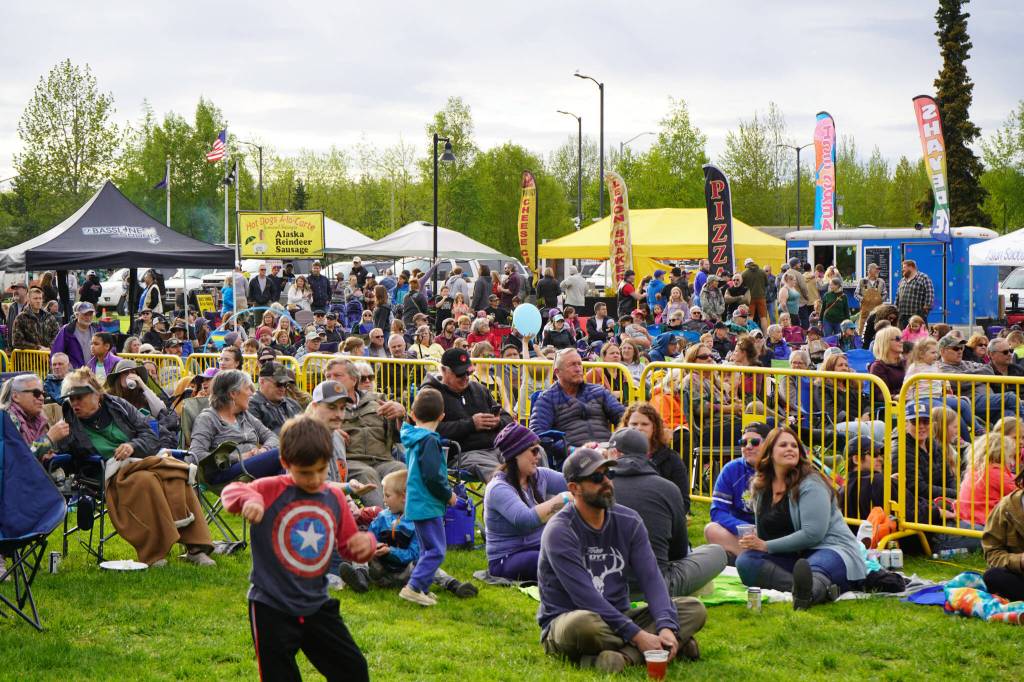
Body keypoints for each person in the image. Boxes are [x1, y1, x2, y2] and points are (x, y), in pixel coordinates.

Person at [222, 416, 374, 682]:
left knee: (354, 670)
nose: (315, 479)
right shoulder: (270, 488)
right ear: (285, 462)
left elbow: (348, 545)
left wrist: (365, 544)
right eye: (305, 473)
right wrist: (250, 499)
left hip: (317, 604)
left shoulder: (334, 497)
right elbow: (231, 492)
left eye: (321, 470)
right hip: (271, 607)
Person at [537, 448, 706, 673]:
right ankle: (665, 645)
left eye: (609, 474)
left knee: (694, 608)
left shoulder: (629, 520)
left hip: (620, 616)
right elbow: (585, 597)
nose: (606, 482)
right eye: (596, 478)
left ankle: (623, 658)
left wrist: (666, 625)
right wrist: (637, 635)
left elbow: (652, 579)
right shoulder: (560, 531)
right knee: (584, 625)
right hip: (571, 619)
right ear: (574, 488)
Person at [55, 368, 215, 567]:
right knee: (147, 480)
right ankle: (154, 553)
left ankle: (196, 548)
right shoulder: (68, 424)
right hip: (107, 474)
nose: (74, 403)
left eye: (80, 397)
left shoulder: (118, 406)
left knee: (177, 473)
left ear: (97, 395)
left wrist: (132, 446)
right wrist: (56, 440)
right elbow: (63, 459)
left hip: (141, 460)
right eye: (71, 399)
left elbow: (150, 435)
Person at [736, 427, 867, 610]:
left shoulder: (811, 483)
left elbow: (813, 534)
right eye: (783, 445)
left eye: (794, 446)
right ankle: (803, 588)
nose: (790, 449)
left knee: (815, 567)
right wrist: (756, 542)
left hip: (830, 548)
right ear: (770, 452)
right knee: (746, 561)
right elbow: (766, 534)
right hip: (794, 556)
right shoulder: (761, 488)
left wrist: (766, 546)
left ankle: (810, 592)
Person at [608, 428, 727, 599]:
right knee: (716, 552)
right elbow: (679, 552)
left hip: (603, 584)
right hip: (656, 586)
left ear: (614, 453)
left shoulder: (596, 488)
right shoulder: (667, 488)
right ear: (647, 454)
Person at [399, 388, 475, 605]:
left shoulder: (412, 437)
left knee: (426, 549)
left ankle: (422, 587)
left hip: (416, 502)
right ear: (442, 416)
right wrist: (448, 495)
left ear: (413, 414)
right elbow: (433, 476)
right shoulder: (430, 441)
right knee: (437, 550)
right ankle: (413, 587)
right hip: (428, 503)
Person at [483, 423, 569, 581]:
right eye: (534, 451)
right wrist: (564, 498)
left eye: (539, 450)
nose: (538, 456)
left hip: (538, 547)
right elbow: (526, 520)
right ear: (516, 454)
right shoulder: (498, 488)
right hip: (507, 558)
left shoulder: (540, 476)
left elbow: (574, 482)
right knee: (553, 561)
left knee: (577, 551)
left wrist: (594, 461)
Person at [421, 348, 512, 482]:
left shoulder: (479, 389)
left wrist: (498, 422)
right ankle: (512, 493)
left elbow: (507, 418)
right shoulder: (431, 395)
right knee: (501, 475)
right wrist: (471, 424)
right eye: (460, 374)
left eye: (468, 373)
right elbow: (427, 429)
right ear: (444, 371)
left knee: (531, 454)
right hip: (463, 454)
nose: (465, 377)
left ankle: (539, 494)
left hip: (497, 448)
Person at [189, 370, 282, 484]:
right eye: (247, 388)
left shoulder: (244, 415)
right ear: (233, 393)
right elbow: (195, 454)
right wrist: (238, 457)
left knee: (286, 464)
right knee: (282, 454)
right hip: (225, 473)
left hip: (250, 466)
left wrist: (264, 450)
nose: (251, 393)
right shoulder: (207, 419)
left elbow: (272, 437)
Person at [530, 349, 626, 448]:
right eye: (572, 365)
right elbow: (538, 434)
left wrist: (618, 442)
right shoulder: (547, 399)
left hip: (606, 450)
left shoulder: (598, 391)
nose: (578, 369)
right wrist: (569, 449)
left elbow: (623, 416)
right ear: (557, 372)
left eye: (579, 364)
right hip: (571, 454)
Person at [703, 422, 771, 559]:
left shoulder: (778, 468)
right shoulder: (731, 469)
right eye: (743, 442)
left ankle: (748, 557)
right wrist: (745, 528)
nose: (748, 447)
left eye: (755, 442)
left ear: (768, 445)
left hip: (772, 532)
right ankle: (756, 558)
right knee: (711, 530)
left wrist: (762, 531)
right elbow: (717, 512)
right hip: (742, 533)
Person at [622, 402, 688, 506]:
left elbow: (683, 501)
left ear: (655, 427)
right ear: (626, 426)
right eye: (634, 424)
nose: (639, 428)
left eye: (645, 424)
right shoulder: (618, 457)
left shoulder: (672, 459)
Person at [957, 432, 1018, 530]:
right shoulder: (996, 474)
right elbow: (1018, 490)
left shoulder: (976, 470)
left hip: (966, 517)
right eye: (1010, 457)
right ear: (1000, 456)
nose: (1013, 463)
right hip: (983, 522)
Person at [980, 467, 1024, 601]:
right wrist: (1020, 561)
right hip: (1020, 574)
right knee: (993, 576)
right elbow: (992, 553)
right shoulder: (1006, 508)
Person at [2, 373, 67, 463]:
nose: (42, 398)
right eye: (36, 393)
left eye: (43, 394)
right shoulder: (6, 420)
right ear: (16, 396)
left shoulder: (39, 419)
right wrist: (48, 439)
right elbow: (17, 459)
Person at [248, 362, 302, 435]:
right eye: (279, 384)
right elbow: (258, 436)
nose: (283, 388)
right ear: (262, 382)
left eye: (285, 384)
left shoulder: (292, 404)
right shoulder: (251, 406)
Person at [50, 302, 98, 369]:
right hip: (74, 372)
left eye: (91, 314)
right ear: (77, 315)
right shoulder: (67, 330)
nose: (88, 317)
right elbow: (57, 352)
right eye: (85, 314)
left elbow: (108, 348)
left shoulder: (97, 329)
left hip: (94, 371)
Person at [13, 286, 60, 350]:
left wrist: (49, 348)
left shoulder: (49, 317)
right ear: (28, 300)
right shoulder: (21, 318)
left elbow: (58, 335)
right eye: (35, 298)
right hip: (30, 355)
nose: (38, 301)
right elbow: (17, 341)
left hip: (48, 354)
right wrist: (37, 348)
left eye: (40, 298)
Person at [895, 259, 934, 327]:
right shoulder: (902, 280)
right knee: (902, 334)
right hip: (902, 317)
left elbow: (930, 294)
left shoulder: (923, 278)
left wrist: (924, 311)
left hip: (917, 317)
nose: (902, 270)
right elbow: (897, 296)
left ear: (911, 267)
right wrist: (895, 309)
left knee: (919, 334)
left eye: (904, 267)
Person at [868, 326, 906, 396]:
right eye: (897, 339)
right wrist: (896, 397)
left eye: (902, 338)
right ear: (885, 342)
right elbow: (879, 395)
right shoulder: (878, 367)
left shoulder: (905, 362)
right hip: (893, 402)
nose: (902, 341)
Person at [854, 262, 887, 334]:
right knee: (863, 331)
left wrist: (880, 300)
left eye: (878, 270)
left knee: (878, 331)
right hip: (865, 312)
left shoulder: (881, 282)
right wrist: (863, 300)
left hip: (878, 311)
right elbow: (856, 294)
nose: (878, 271)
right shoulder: (862, 281)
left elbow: (885, 294)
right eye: (876, 269)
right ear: (869, 270)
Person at [740, 258, 769, 331]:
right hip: (761, 297)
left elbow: (741, 286)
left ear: (746, 265)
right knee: (763, 317)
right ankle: (765, 334)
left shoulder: (744, 274)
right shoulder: (762, 272)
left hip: (750, 298)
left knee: (750, 317)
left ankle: (750, 333)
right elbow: (766, 284)